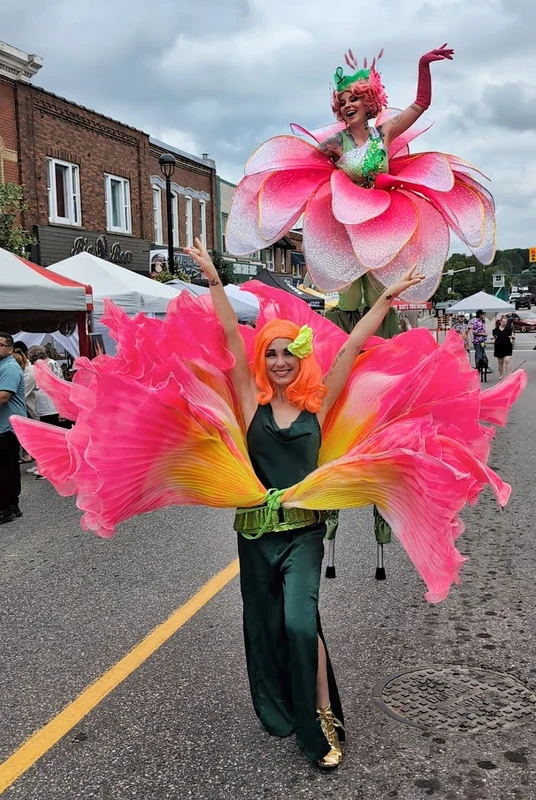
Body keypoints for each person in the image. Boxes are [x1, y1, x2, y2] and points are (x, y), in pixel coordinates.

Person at [12, 251, 526, 771]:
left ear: (301, 359)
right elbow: (230, 339)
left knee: (301, 622)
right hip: (256, 536)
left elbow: (352, 346)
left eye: (288, 353)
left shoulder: (318, 405)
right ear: (263, 359)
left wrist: (388, 296)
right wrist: (214, 279)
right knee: (266, 625)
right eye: (272, 353)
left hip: (304, 533)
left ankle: (321, 716)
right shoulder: (249, 403)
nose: (280, 362)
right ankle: (285, 703)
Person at [226, 43, 495, 304]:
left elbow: (421, 103)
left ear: (368, 102)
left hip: (383, 221)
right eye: (342, 102)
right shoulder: (334, 143)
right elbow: (305, 169)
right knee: (351, 299)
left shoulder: (384, 133)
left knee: (381, 296)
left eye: (353, 99)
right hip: (346, 225)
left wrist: (423, 65)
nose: (347, 106)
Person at [0, 332, 27, 524]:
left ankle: (6, 508)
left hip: (7, 428)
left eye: (0, 345)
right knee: (9, 468)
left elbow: (3, 397)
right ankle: (11, 505)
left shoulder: (9, 368)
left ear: (10, 349)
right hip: (6, 427)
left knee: (4, 469)